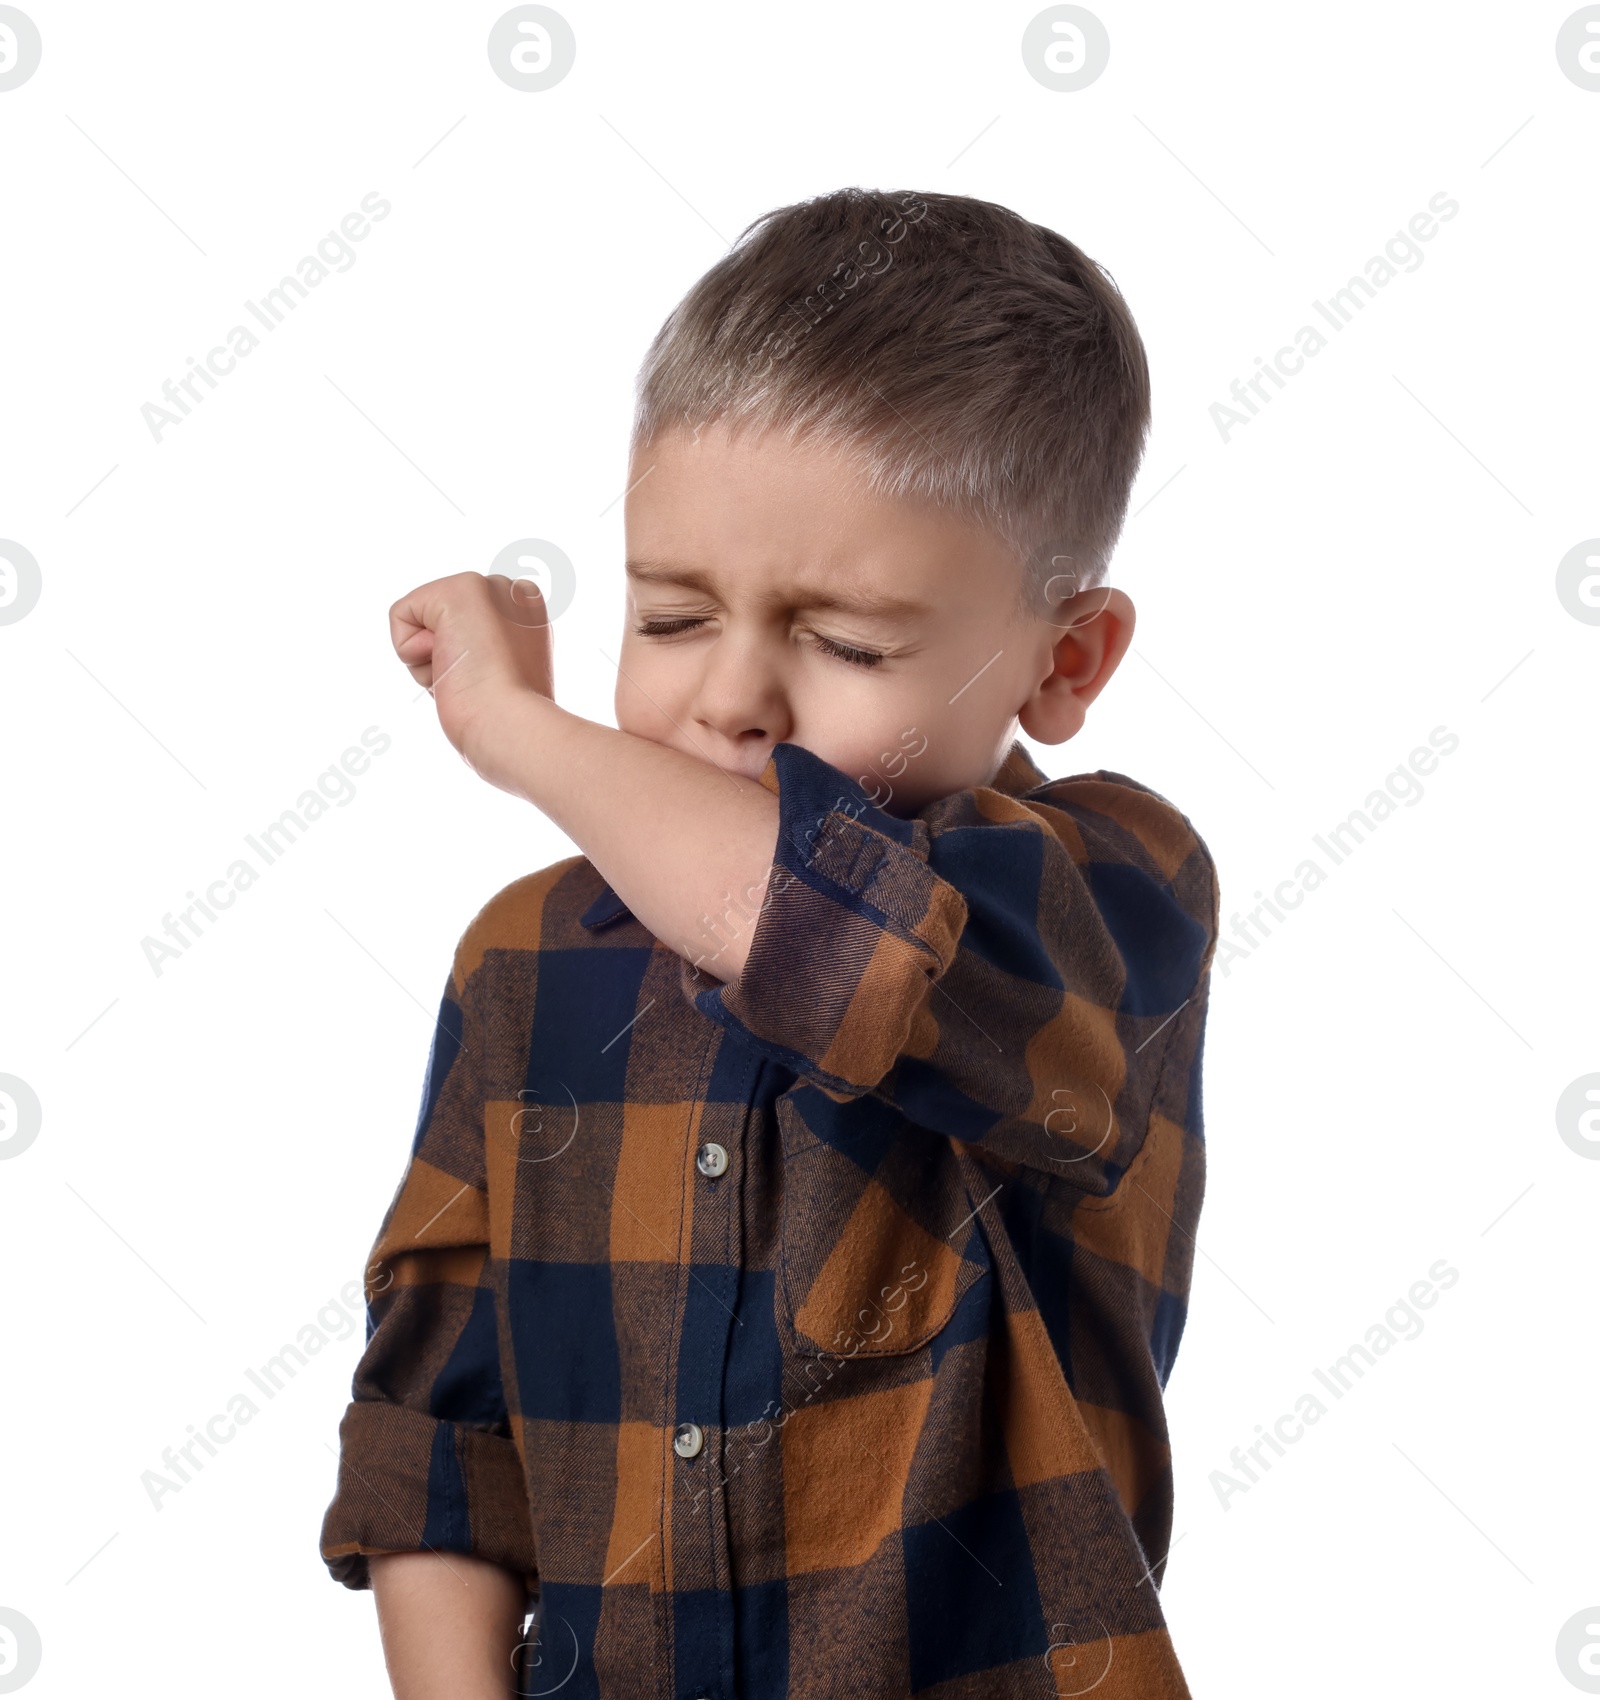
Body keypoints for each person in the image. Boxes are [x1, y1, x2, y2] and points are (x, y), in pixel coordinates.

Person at [319, 186, 1220, 1700]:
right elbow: (441, 1428)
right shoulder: (525, 961)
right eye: (671, 618)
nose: (732, 699)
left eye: (847, 644)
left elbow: (833, 934)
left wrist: (523, 735)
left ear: (1065, 661)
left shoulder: (1107, 893)